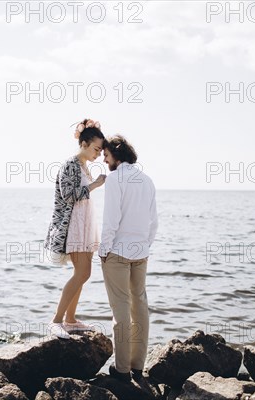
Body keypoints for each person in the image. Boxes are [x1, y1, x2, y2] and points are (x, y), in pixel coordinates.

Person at [99, 135, 158, 382]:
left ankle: (121, 370)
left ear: (116, 154)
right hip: (141, 252)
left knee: (120, 308)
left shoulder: (115, 180)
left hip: (118, 252)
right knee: (140, 306)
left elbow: (111, 220)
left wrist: (103, 250)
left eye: (106, 155)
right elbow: (153, 222)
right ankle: (137, 366)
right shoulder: (147, 180)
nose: (104, 159)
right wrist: (145, 245)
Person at [44, 119, 107, 339]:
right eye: (96, 149)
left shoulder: (83, 166)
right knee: (83, 273)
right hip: (73, 226)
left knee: (82, 274)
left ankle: (70, 319)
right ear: (84, 143)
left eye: (100, 151)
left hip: (85, 225)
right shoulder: (70, 164)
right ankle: (56, 320)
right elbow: (68, 195)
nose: (98, 155)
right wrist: (95, 185)